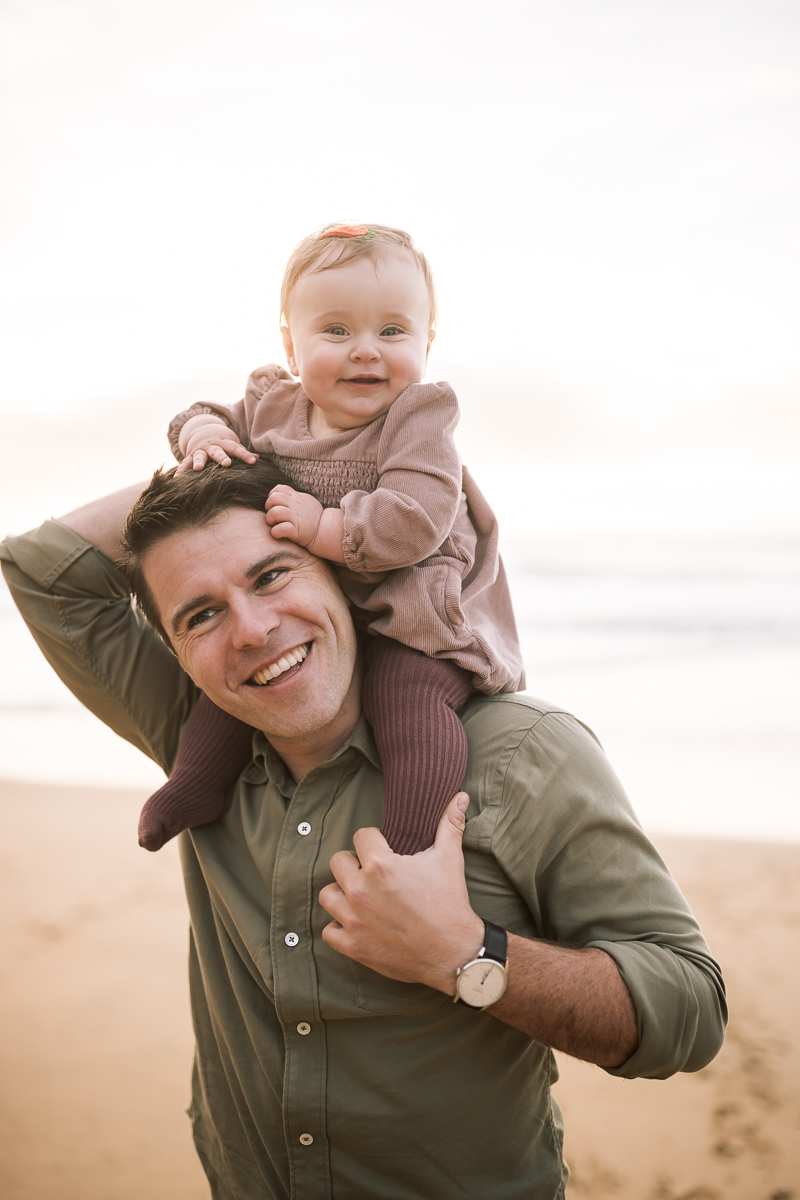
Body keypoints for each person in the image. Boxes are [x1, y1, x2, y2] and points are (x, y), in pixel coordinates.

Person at [1, 458, 727, 1200]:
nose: (252, 630)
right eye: (201, 614)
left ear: (343, 577)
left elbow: (688, 1012)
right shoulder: (190, 728)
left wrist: (466, 954)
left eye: (273, 575)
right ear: (178, 653)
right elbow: (41, 569)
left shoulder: (521, 751)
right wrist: (263, 446)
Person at [138, 222, 525, 855]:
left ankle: (410, 843)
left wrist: (323, 527)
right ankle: (195, 783)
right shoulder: (272, 405)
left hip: (414, 605)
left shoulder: (418, 419)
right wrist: (203, 436)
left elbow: (417, 518)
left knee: (408, 700)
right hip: (325, 606)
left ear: (427, 342)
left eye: (393, 331)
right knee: (232, 693)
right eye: (337, 330)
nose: (366, 350)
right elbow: (200, 414)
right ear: (292, 348)